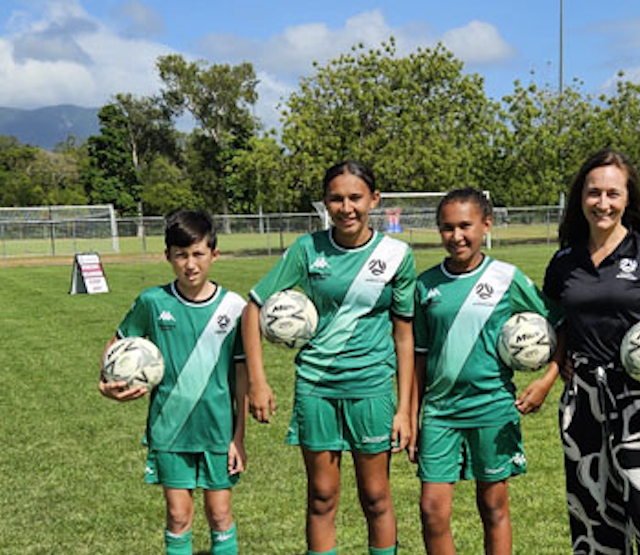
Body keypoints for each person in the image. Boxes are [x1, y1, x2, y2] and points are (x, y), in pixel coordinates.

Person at [241, 160, 415, 555]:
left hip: (371, 387)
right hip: (316, 388)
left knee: (376, 497)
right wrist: (258, 381)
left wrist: (404, 410)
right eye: (336, 199)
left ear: (374, 199)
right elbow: (253, 308)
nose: (347, 207)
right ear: (324, 203)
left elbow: (404, 336)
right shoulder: (307, 249)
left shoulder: (397, 255)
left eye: (355, 197)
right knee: (321, 495)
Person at [543, 149, 640, 555]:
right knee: (593, 517)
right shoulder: (563, 261)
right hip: (582, 400)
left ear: (628, 198)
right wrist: (551, 371)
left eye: (613, 193)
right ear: (580, 197)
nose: (603, 203)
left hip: (639, 397)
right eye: (594, 193)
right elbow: (558, 326)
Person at [409, 188, 562, 555]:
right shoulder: (426, 285)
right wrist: (412, 414)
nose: (456, 236)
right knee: (432, 511)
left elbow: (560, 323)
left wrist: (546, 379)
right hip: (440, 412)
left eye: (465, 225)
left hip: (492, 406)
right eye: (447, 227)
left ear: (486, 225)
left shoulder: (505, 278)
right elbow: (417, 357)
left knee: (493, 506)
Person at [98, 209, 248, 555]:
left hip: (217, 430)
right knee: (179, 516)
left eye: (198, 254)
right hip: (170, 428)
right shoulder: (153, 302)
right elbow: (116, 347)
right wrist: (106, 383)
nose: (190, 264)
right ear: (168, 256)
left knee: (220, 513)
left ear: (214, 253)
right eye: (181, 255)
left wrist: (238, 438)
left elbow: (242, 377)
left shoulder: (234, 307)